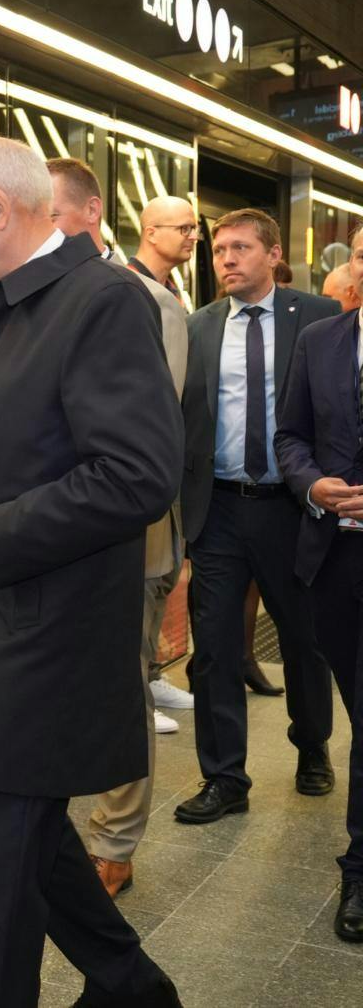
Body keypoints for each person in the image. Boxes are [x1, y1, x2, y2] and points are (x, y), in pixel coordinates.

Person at [0, 135, 181, 1007]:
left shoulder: (99, 301)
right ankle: (131, 987)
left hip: (51, 636)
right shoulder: (6, 303)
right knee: (30, 838)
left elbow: (137, 474)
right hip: (7, 621)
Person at [47, 157, 187, 901]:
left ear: (90, 213)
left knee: (120, 685)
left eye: (52, 215)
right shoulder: (27, 294)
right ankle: (31, 829)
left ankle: (113, 840)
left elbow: (147, 444)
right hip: (46, 539)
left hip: (127, 537)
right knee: (44, 681)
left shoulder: (142, 302)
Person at [175, 208, 339, 823]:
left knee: (304, 638)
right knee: (214, 646)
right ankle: (224, 778)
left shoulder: (319, 318)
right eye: (218, 250)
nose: (226, 260)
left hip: (292, 508)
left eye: (240, 248)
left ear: (273, 254)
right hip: (217, 507)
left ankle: (312, 746)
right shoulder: (197, 327)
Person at [275, 257, 363, 943]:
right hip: (335, 558)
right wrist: (309, 483)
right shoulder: (323, 341)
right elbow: (290, 435)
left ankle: (357, 864)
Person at [130, 195, 198, 299]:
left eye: (194, 229)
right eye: (185, 228)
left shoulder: (172, 292)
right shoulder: (125, 287)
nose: (194, 237)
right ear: (151, 235)